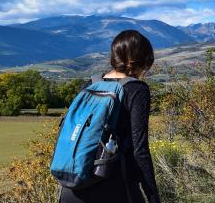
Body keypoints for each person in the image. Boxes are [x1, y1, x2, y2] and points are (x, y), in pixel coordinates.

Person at [59, 30, 161, 203]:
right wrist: (153, 196)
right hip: (114, 183)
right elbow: (140, 149)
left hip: (72, 184)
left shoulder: (91, 84)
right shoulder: (137, 89)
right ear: (142, 60)